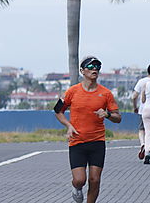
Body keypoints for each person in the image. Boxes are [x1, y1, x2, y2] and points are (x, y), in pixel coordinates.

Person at [55, 56, 121, 203]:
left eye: (97, 67)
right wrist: (68, 125)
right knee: (80, 180)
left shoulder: (106, 94)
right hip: (77, 142)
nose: (95, 69)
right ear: (82, 71)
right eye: (90, 67)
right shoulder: (71, 92)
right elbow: (57, 111)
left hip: (97, 142)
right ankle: (76, 187)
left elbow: (118, 117)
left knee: (95, 179)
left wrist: (108, 114)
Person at [131, 64, 150, 159]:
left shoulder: (141, 82)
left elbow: (134, 96)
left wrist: (135, 107)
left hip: (143, 110)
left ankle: (143, 144)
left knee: (142, 129)